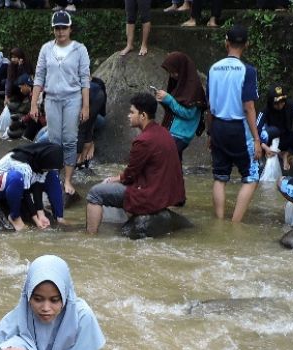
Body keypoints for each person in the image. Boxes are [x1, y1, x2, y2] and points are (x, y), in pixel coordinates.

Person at [86, 94, 184, 235]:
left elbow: (130, 175)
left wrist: (115, 178)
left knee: (95, 193)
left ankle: (90, 236)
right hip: (166, 194)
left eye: (132, 112)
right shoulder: (164, 132)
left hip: (151, 196)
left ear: (143, 115)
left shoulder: (143, 140)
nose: (128, 116)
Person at [204, 25, 260, 222]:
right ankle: (235, 224)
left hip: (218, 126)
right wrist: (256, 139)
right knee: (251, 177)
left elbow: (209, 106)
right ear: (246, 44)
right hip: (239, 129)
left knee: (220, 177)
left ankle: (219, 222)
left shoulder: (213, 68)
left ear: (226, 43)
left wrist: (210, 134)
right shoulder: (248, 71)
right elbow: (249, 107)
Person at [32, 10, 91, 197]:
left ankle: (67, 180)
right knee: (54, 141)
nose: (60, 31)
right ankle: (54, 178)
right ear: (53, 30)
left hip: (73, 99)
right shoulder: (45, 49)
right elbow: (39, 77)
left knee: (70, 140)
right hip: (52, 99)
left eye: (63, 27)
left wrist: (86, 106)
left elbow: (85, 80)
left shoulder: (79, 49)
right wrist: (33, 103)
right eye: (57, 28)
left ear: (70, 28)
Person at [0, 142, 66, 232]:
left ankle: (59, 217)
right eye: (48, 167)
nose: (48, 170)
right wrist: (36, 219)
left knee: (52, 175)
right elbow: (25, 194)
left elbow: (37, 185)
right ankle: (15, 217)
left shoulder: (40, 161)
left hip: (21, 184)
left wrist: (40, 213)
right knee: (17, 177)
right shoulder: (22, 164)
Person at [155, 52, 205, 160]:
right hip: (172, 132)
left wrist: (169, 99)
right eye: (170, 73)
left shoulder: (194, 89)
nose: (172, 76)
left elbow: (188, 113)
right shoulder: (179, 84)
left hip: (181, 135)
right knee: (174, 167)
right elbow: (174, 107)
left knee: (167, 164)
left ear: (183, 70)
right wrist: (163, 100)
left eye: (174, 72)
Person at [256, 84, 293, 171]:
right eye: (276, 103)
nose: (280, 105)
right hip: (269, 143)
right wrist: (265, 147)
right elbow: (257, 131)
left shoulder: (290, 105)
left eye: (282, 102)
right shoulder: (264, 111)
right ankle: (267, 159)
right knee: (273, 131)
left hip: (286, 138)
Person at [76, 76, 108, 171]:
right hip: (98, 99)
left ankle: (74, 162)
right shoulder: (99, 86)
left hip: (89, 98)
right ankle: (82, 162)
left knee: (81, 130)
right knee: (88, 128)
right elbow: (103, 113)